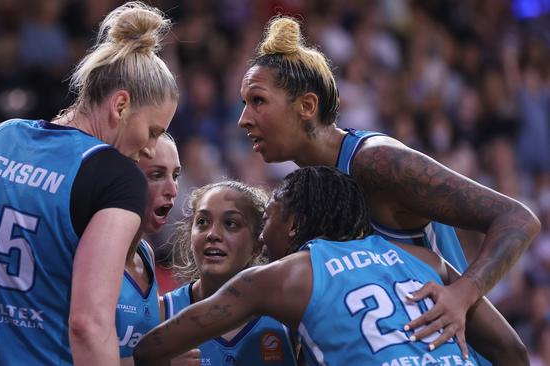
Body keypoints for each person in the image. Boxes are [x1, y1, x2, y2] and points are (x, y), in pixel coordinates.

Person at [0, 2, 178, 365]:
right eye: (153, 131)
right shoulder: (114, 176)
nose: (150, 148)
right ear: (120, 105)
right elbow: (88, 326)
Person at [236, 16, 540, 345]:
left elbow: (517, 219)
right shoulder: (310, 187)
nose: (243, 119)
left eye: (258, 101)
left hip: (451, 348)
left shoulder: (376, 161)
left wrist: (461, 294)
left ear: (307, 106)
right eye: (244, 104)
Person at [133, 166, 529, 366]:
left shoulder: (286, 275)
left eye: (268, 218)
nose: (262, 236)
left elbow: (151, 349)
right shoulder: (422, 258)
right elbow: (512, 351)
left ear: (292, 223)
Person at [161, 181, 297, 366]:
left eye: (231, 223)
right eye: (202, 222)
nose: (212, 234)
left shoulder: (289, 317)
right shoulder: (162, 312)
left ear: (257, 245)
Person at [116, 133, 200, 366]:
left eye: (175, 176)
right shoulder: (88, 253)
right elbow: (68, 356)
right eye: (156, 175)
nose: (173, 189)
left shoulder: (146, 254)